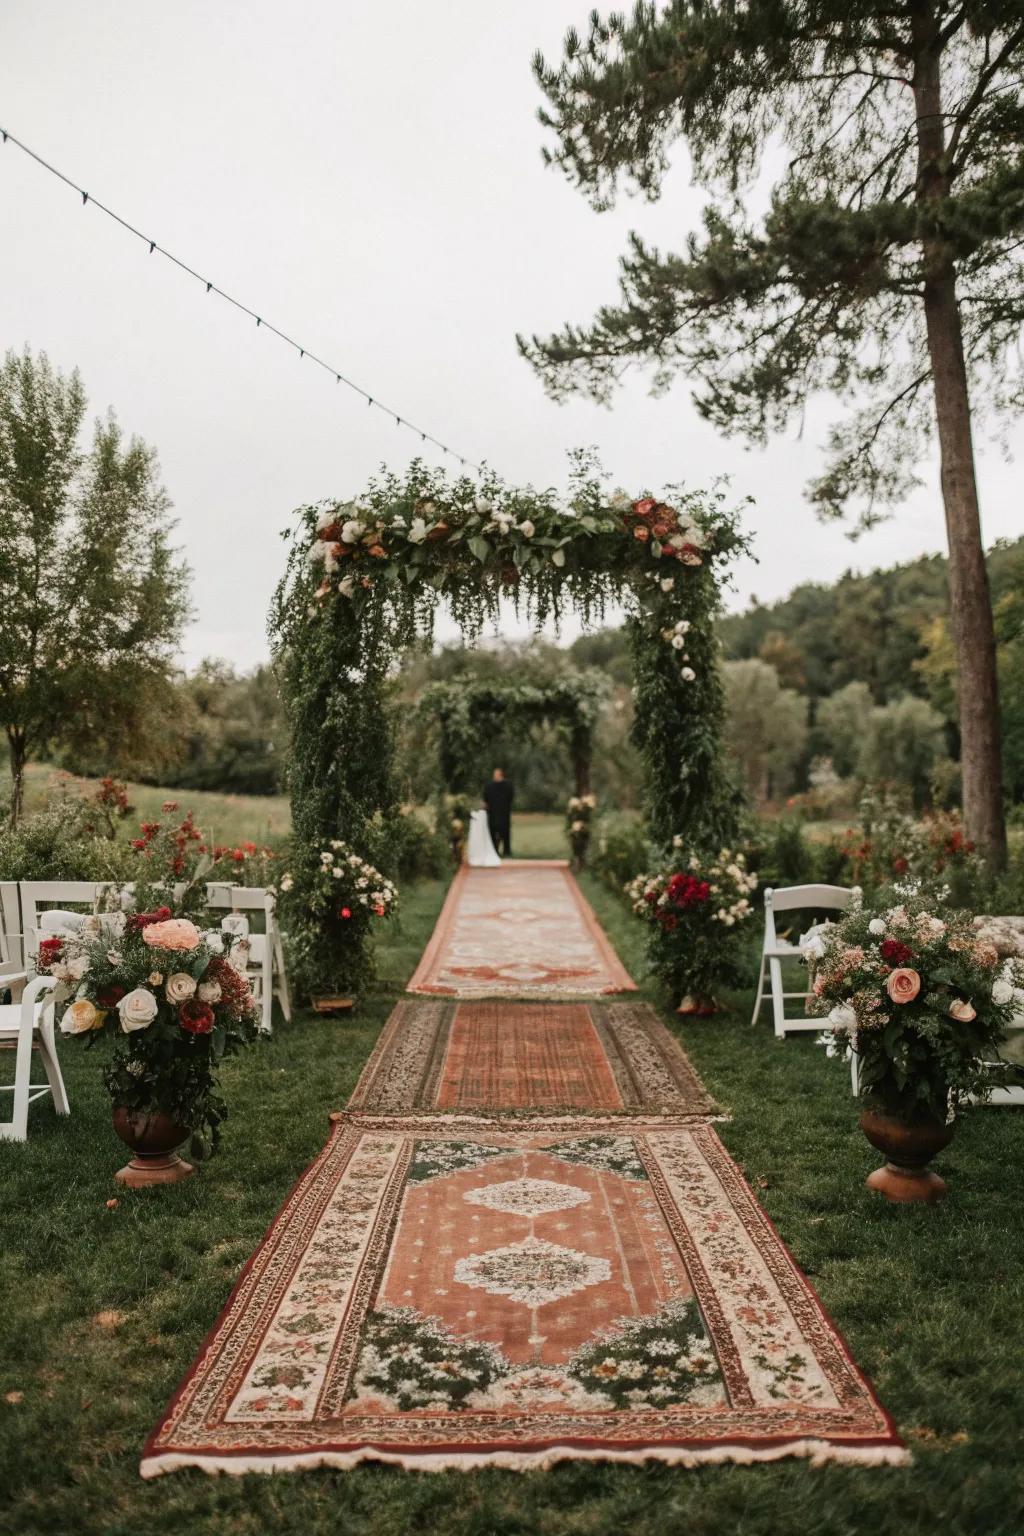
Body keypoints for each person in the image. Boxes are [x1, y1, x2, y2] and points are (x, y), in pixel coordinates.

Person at [482, 767, 514, 857]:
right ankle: (495, 850)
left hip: (502, 812)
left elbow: (510, 798)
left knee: (504, 833)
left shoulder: (507, 785)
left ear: (501, 775)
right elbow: (485, 799)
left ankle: (506, 850)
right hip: (494, 813)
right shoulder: (489, 786)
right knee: (494, 833)